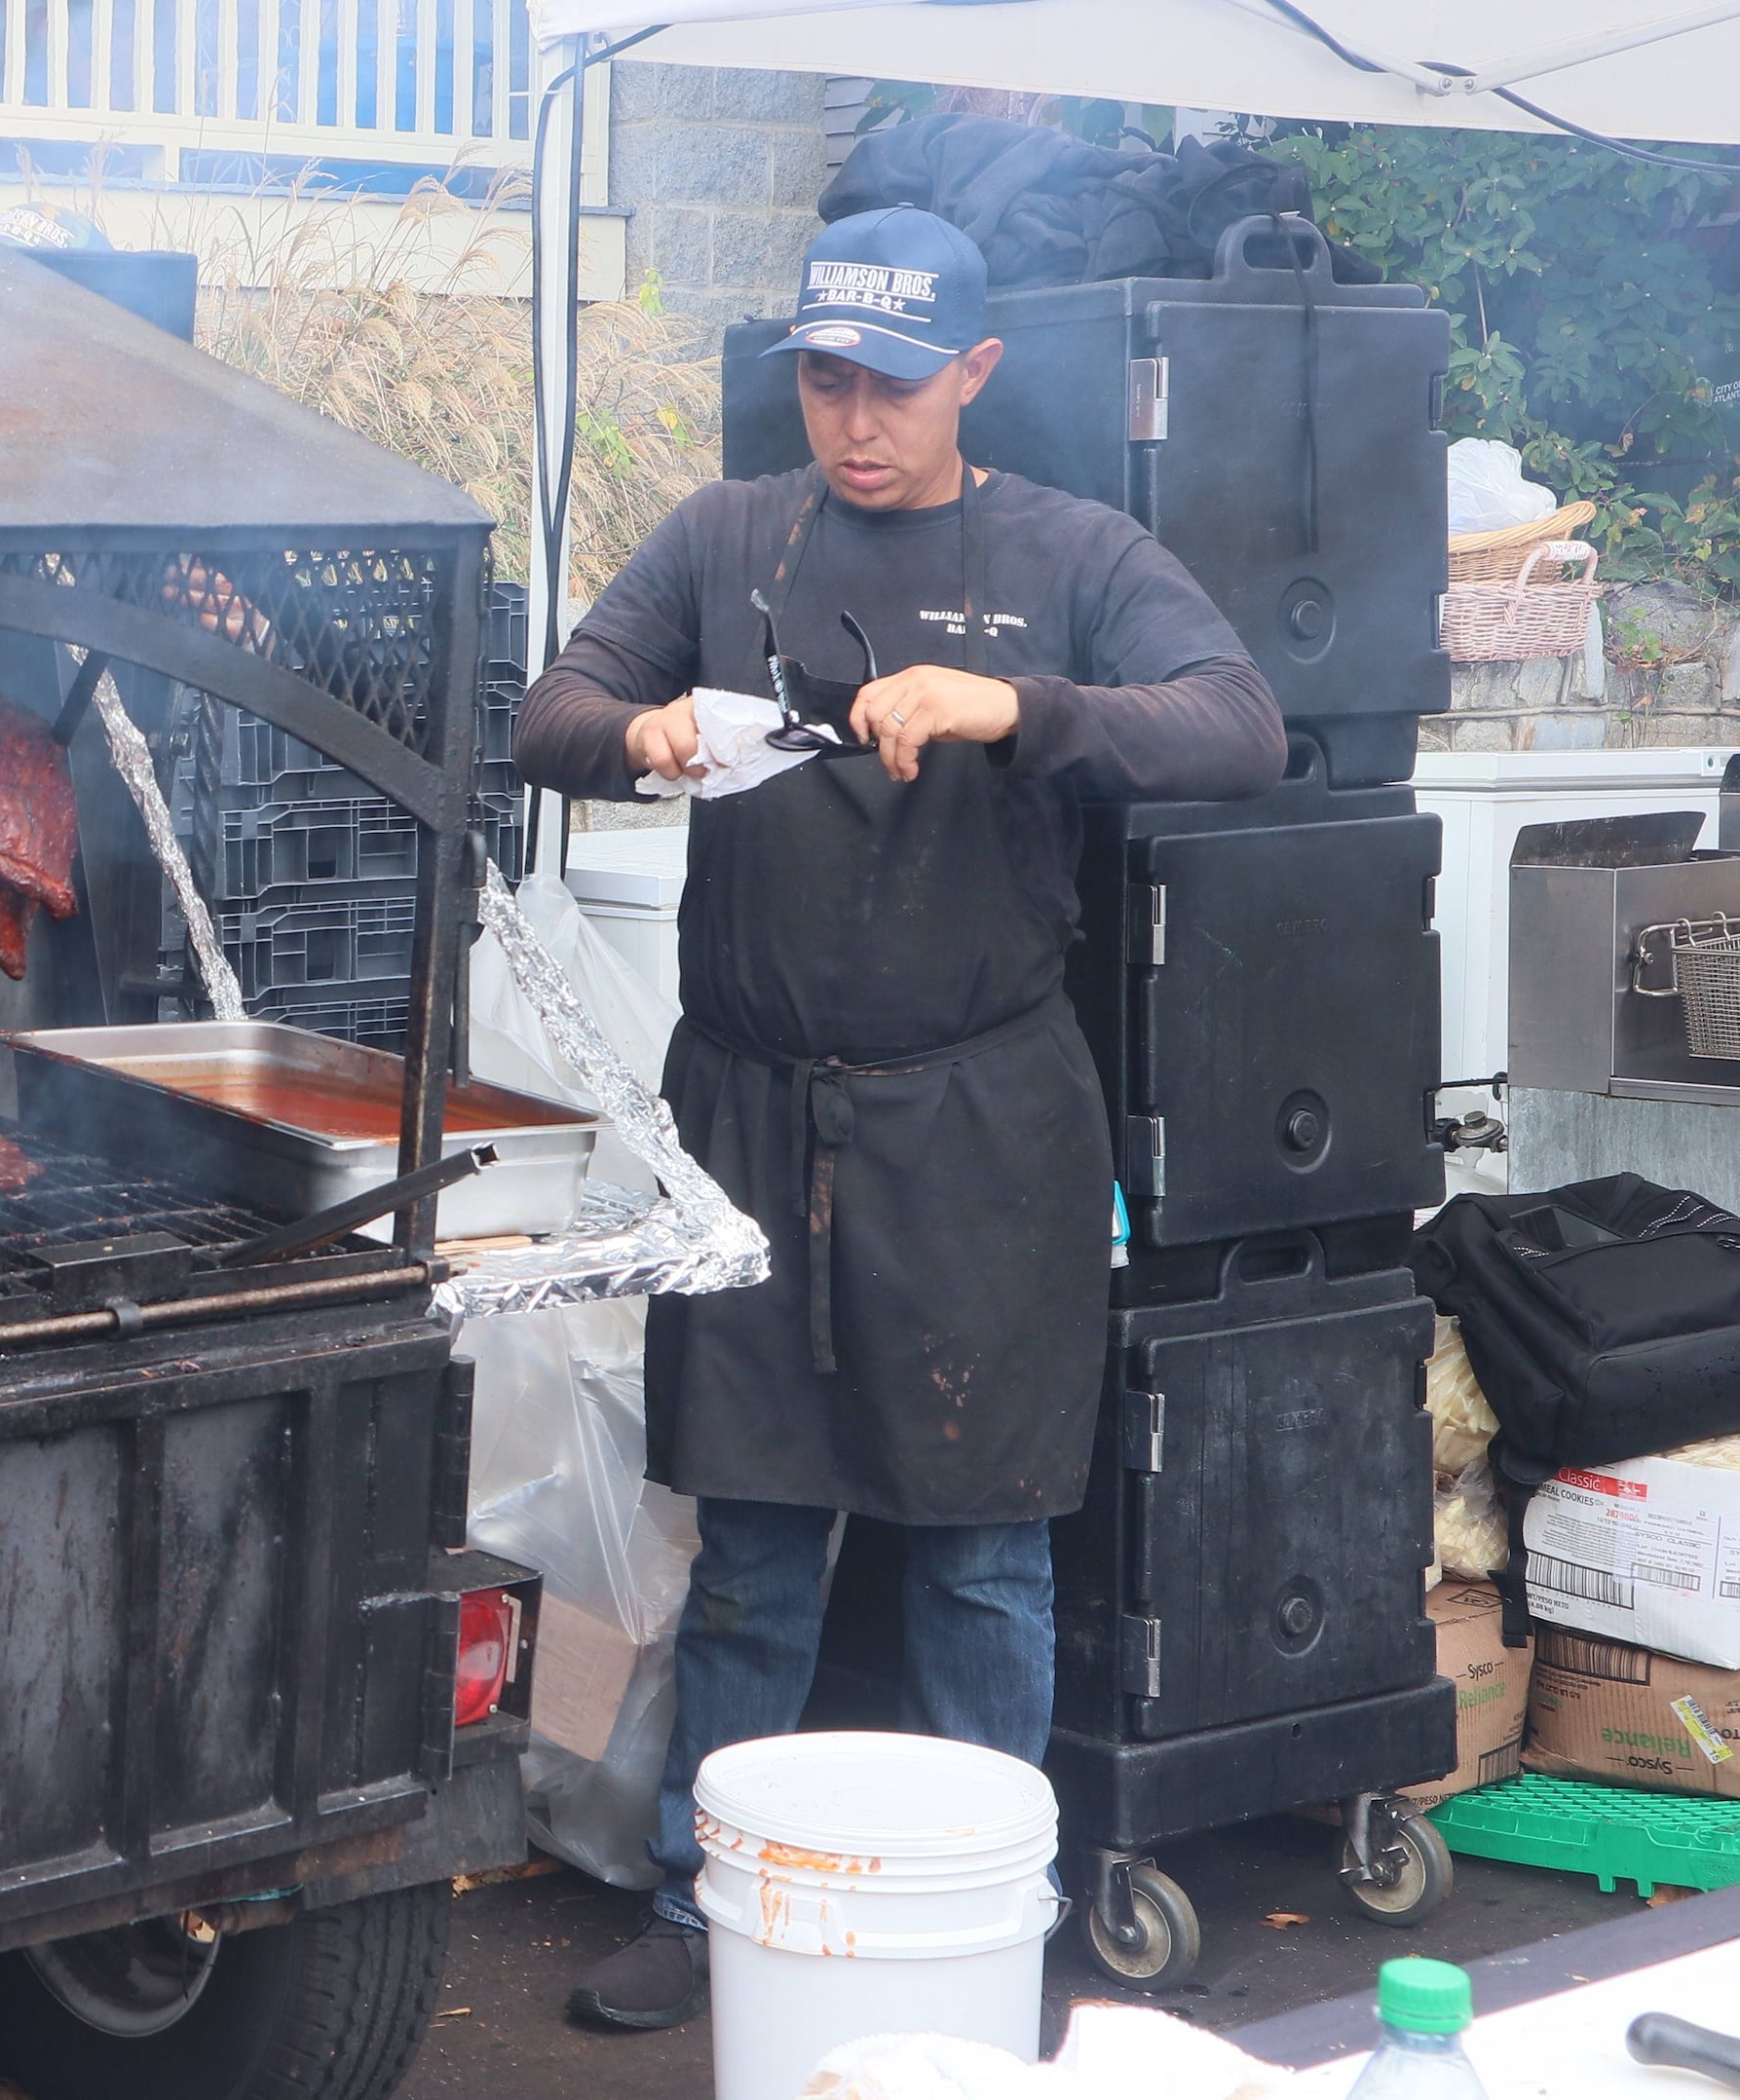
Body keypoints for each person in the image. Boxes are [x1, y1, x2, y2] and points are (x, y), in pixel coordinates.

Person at [518, 206, 1285, 2033]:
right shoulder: (723, 536)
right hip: (755, 1108)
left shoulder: (1072, 548)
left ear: (976, 374)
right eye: (825, 379)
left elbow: (1243, 725)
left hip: (984, 1118)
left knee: (979, 1548)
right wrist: (644, 741)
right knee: (760, 1539)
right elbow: (549, 703)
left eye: (895, 382)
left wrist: (1019, 704)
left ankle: (978, 1920)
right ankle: (712, 1910)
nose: (857, 418)